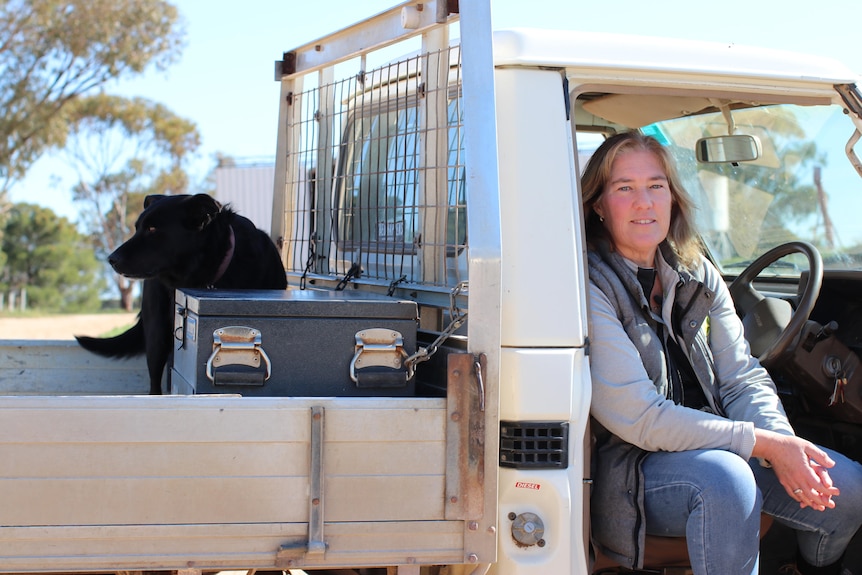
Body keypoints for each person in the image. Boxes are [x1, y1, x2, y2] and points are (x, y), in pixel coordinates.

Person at [583, 131, 862, 575]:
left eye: (656, 186)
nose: (644, 202)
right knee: (726, 482)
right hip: (634, 473)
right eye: (624, 188)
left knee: (846, 487)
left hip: (719, 448)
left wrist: (783, 445)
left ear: (673, 197)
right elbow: (642, 418)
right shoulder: (591, 286)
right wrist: (761, 443)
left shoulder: (697, 271)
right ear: (598, 205)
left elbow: (741, 377)